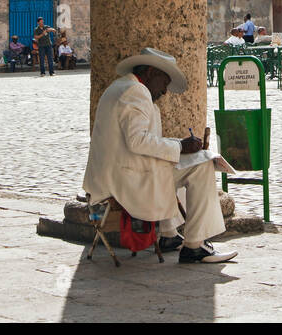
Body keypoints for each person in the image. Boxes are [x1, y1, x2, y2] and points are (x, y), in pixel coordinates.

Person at [81, 48, 236, 264]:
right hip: (123, 181)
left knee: (185, 164)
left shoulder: (121, 86)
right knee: (201, 167)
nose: (165, 91)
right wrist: (180, 147)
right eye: (164, 82)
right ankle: (195, 245)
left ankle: (170, 233)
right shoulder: (136, 91)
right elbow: (138, 141)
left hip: (111, 175)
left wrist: (179, 147)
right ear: (151, 73)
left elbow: (139, 141)